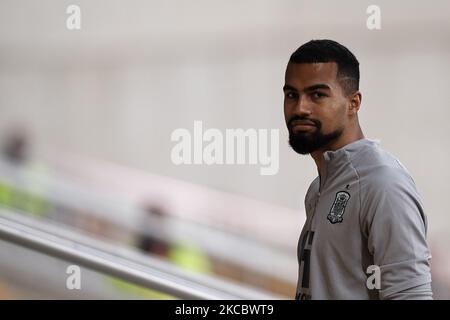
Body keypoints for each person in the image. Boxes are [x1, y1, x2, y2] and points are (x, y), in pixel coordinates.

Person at [283, 39, 432, 299]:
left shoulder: (383, 183)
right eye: (291, 95)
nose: (300, 108)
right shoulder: (319, 188)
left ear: (354, 103)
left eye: (317, 94)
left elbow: (411, 295)